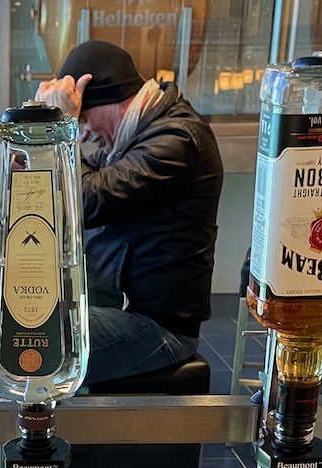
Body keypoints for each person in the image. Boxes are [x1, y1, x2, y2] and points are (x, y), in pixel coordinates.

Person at [35, 40, 223, 385]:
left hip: (156, 326)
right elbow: (63, 186)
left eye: (83, 119)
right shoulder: (130, 134)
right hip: (111, 305)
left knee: (16, 360)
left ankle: (34, 438)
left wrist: (59, 127)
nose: (84, 133)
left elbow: (82, 202)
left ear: (112, 102)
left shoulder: (177, 140)